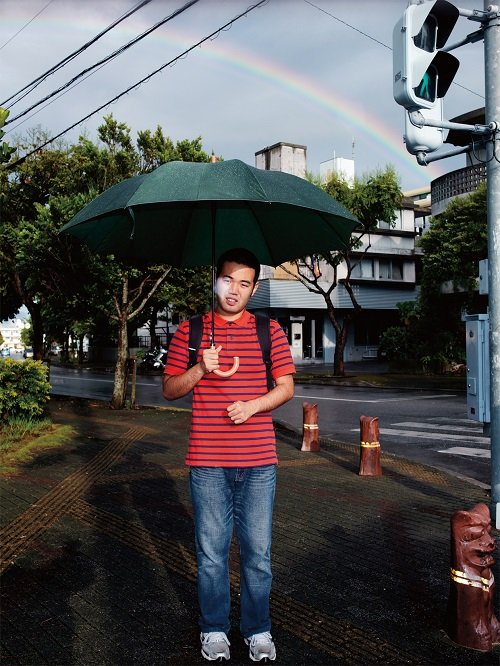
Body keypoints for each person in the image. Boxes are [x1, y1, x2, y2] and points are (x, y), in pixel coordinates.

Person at [163, 248, 295, 662]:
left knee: (258, 555)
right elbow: (169, 389)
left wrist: (253, 406)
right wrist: (201, 368)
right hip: (207, 463)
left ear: (254, 288)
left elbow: (286, 386)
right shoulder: (191, 331)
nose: (234, 290)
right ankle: (215, 629)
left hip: (258, 463)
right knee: (211, 553)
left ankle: (258, 630)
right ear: (215, 281)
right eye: (228, 280)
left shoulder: (268, 331)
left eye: (244, 283)